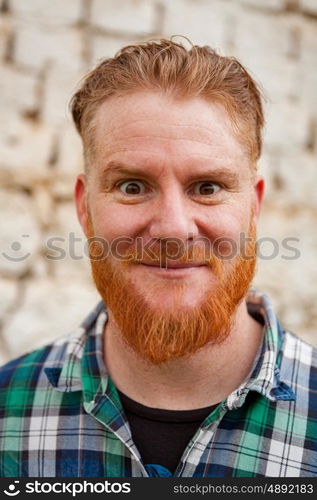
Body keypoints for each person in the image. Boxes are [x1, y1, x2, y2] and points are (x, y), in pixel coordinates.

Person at [0, 39, 316, 478]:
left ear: (254, 207)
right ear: (85, 207)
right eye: (132, 186)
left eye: (207, 187)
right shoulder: (6, 414)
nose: (171, 228)